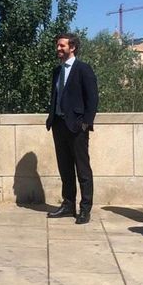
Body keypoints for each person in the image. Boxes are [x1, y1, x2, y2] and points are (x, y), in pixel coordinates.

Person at [46, 33, 98, 224]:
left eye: (61, 46)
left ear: (72, 47)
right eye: (57, 46)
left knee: (82, 169)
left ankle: (85, 209)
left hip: (77, 127)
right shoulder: (57, 71)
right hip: (59, 125)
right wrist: (51, 118)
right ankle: (68, 205)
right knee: (65, 168)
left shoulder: (83, 69)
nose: (58, 49)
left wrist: (86, 123)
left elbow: (92, 98)